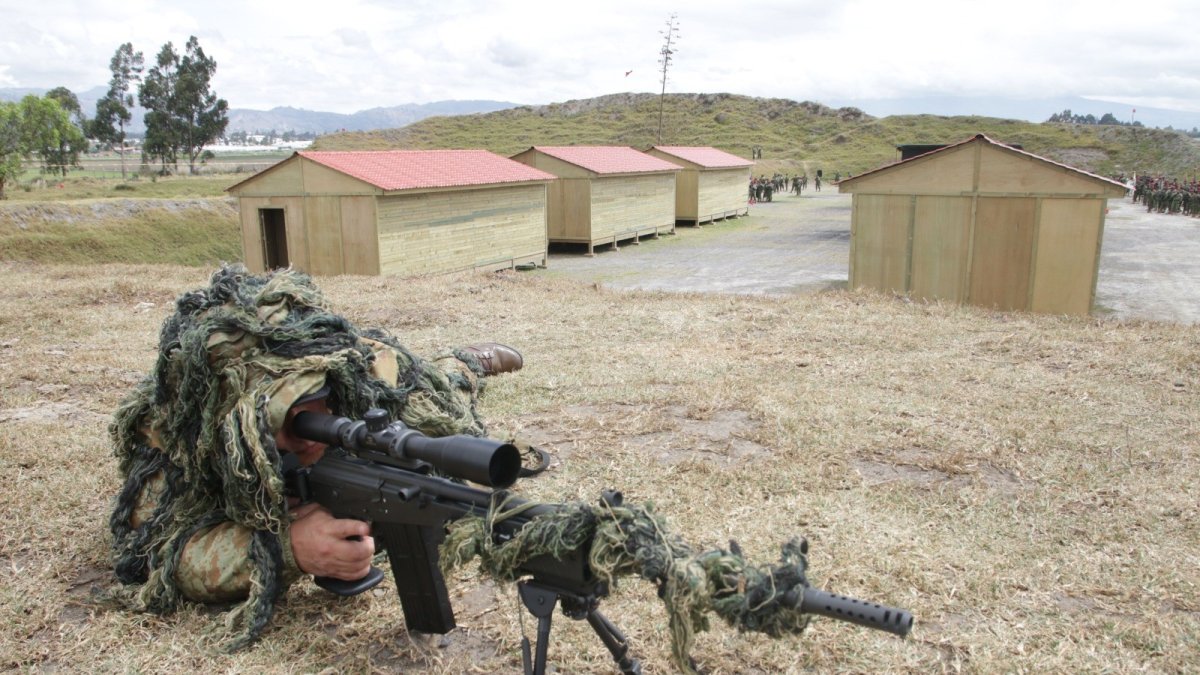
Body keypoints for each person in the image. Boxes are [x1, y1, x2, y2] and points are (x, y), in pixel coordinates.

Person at [108, 264, 527, 649]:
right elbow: (157, 549)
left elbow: (410, 391)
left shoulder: (355, 376)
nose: (309, 430)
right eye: (280, 419)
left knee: (442, 391)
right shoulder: (179, 439)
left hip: (373, 377)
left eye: (316, 402)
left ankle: (470, 360)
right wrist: (289, 547)